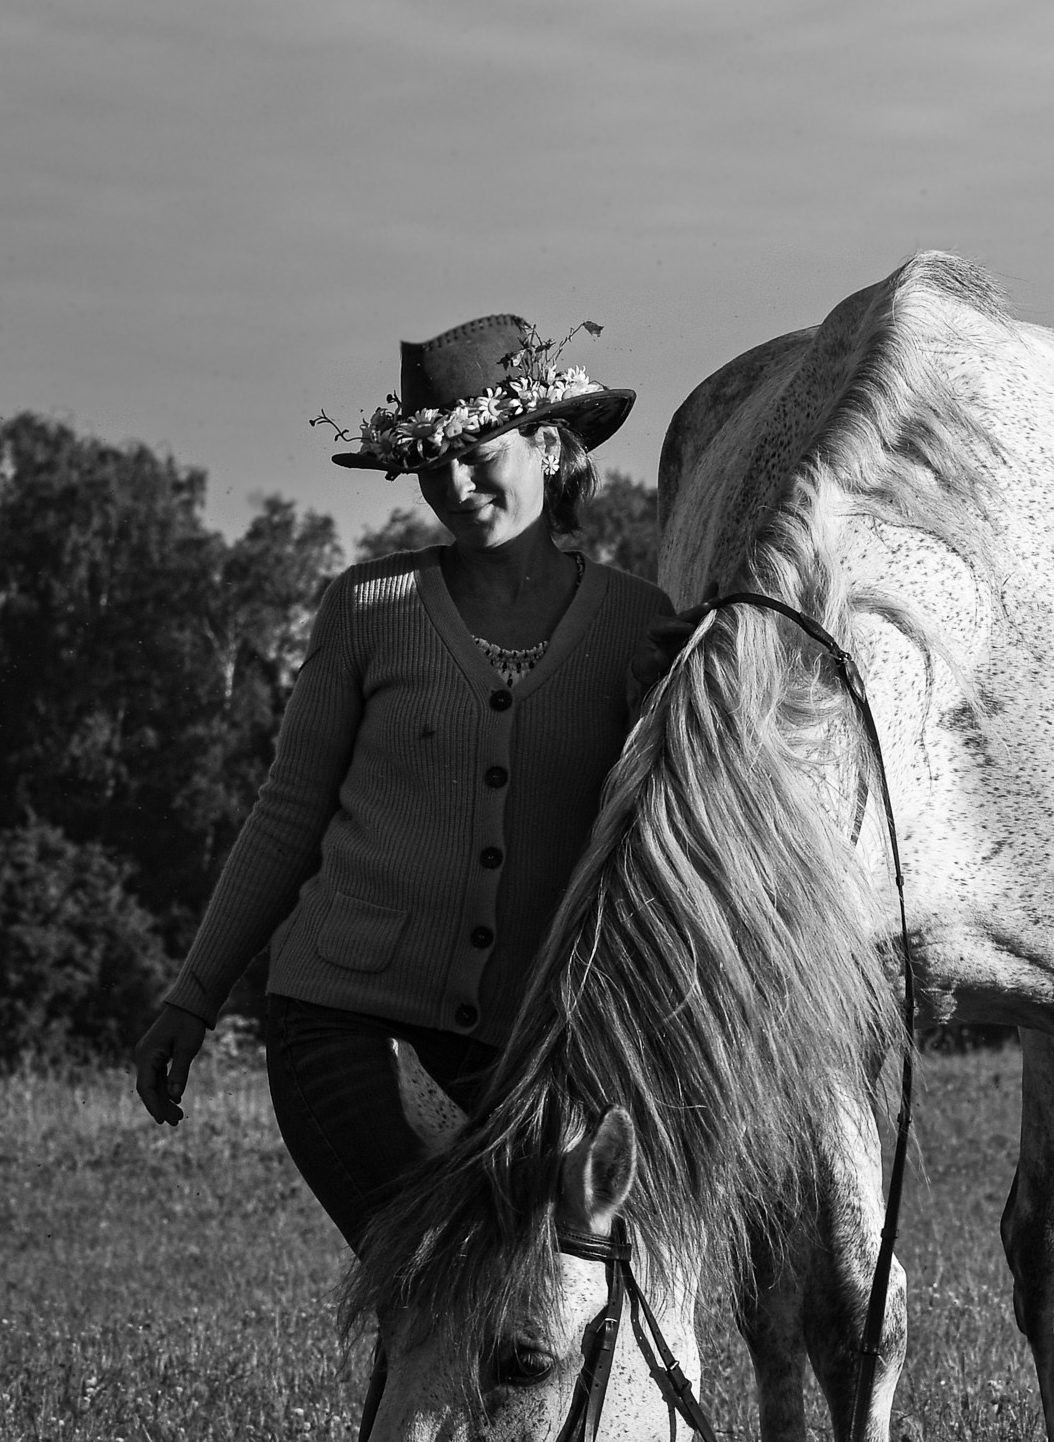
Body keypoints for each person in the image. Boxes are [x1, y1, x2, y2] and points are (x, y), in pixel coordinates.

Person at [133, 313, 675, 1249]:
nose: (456, 486)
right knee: (424, 1271)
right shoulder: (369, 609)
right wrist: (194, 994)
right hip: (342, 1015)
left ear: (549, 447)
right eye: (433, 463)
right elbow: (288, 814)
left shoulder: (641, 627)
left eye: (479, 453)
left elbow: (659, 837)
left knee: (538, 1298)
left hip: (525, 1043)